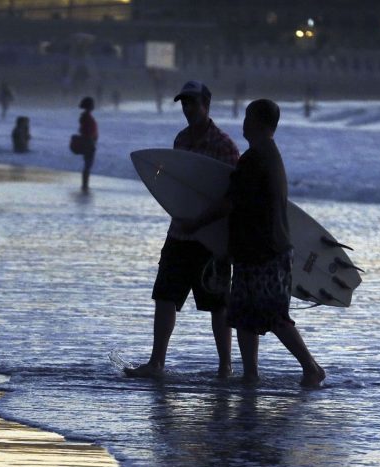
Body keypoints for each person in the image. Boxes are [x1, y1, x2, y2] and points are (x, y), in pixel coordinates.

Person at [181, 99, 325, 388]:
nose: (243, 123)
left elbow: (229, 203)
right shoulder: (268, 154)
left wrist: (196, 224)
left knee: (274, 314)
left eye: (247, 117)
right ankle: (250, 374)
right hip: (255, 249)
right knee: (244, 315)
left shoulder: (255, 159)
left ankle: (312, 367)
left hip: (266, 251)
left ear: (258, 122)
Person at [124, 80, 240, 380]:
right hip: (179, 233)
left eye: (192, 103)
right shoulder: (181, 140)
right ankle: (156, 362)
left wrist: (208, 228)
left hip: (212, 239)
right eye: (184, 103)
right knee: (164, 296)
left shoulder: (224, 146)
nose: (187, 109)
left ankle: (225, 366)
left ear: (206, 104)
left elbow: (232, 196)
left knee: (218, 304)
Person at [77, 96, 98, 193]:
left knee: (87, 164)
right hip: (88, 142)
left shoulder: (85, 116)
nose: (94, 106)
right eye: (92, 104)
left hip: (88, 141)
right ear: (89, 106)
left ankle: (85, 185)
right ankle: (85, 185)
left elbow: (82, 130)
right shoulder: (87, 117)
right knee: (88, 164)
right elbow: (87, 131)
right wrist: (91, 142)